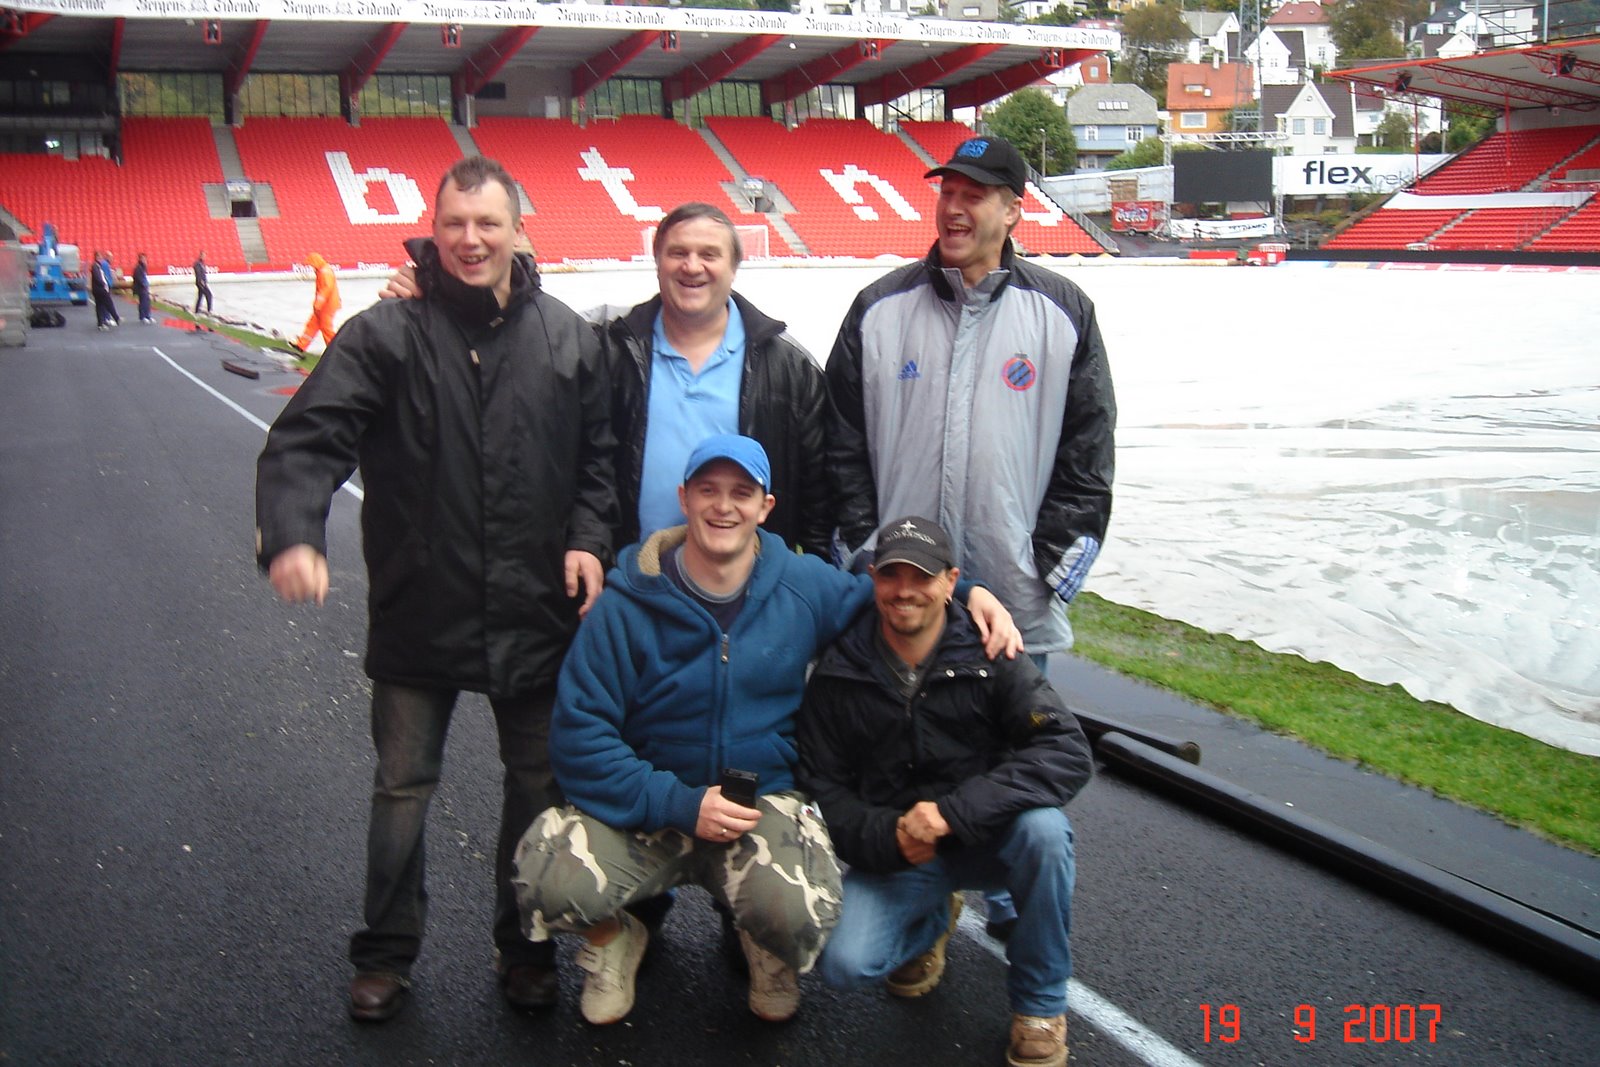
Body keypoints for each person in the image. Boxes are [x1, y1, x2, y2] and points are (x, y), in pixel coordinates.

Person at [254, 155, 618, 1024]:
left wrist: (589, 539)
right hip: (421, 605)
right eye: (455, 223)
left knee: (536, 789)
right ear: (433, 226)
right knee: (402, 787)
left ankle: (524, 945)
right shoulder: (386, 335)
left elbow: (601, 460)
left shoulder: (569, 337)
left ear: (518, 230)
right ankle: (384, 954)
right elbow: (308, 438)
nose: (470, 239)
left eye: (488, 223)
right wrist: (296, 531)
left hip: (535, 612)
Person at [511, 435, 1021, 1029]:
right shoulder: (625, 604)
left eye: (741, 493)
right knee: (544, 876)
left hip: (760, 808)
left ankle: (768, 949)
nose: (723, 506)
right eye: (708, 490)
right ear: (684, 498)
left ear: (765, 507)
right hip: (647, 812)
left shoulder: (802, 586)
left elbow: (891, 592)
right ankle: (615, 937)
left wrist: (972, 590)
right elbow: (579, 736)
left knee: (804, 912)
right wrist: (676, 801)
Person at [824, 134, 1115, 938]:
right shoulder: (880, 308)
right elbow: (838, 444)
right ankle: (922, 905)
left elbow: (1088, 462)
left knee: (1016, 760)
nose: (954, 206)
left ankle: (1016, 903)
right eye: (945, 189)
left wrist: (1041, 576)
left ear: (1015, 210)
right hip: (903, 592)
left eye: (975, 194)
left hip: (1011, 604)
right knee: (905, 749)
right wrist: (861, 552)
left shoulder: (1063, 312)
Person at [797, 515, 1092, 1067]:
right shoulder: (838, 672)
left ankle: (1040, 1006)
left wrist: (955, 814)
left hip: (987, 835)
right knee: (842, 964)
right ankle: (933, 919)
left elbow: (1066, 751)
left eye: (922, 575)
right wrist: (886, 837)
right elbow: (821, 790)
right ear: (874, 580)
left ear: (951, 579)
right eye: (891, 575)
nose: (905, 590)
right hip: (904, 850)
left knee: (1047, 833)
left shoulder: (993, 651)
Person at [383, 202, 832, 557]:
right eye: (677, 253)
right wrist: (441, 298)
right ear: (656, 262)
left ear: (734, 267)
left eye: (709, 254)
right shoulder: (605, 344)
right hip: (626, 584)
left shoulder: (788, 367)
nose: (691, 266)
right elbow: (515, 339)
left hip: (743, 591)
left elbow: (817, 496)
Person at [293, 252, 342, 352]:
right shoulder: (323, 270)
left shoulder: (324, 272)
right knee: (312, 324)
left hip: (327, 306)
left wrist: (318, 304)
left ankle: (334, 349)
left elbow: (326, 289)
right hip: (325, 305)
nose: (311, 267)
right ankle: (301, 345)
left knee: (326, 327)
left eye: (311, 264)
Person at [89, 250, 114, 331]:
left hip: (103, 287)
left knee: (103, 305)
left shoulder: (101, 265)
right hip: (102, 288)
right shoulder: (103, 265)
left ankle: (105, 320)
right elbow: (104, 276)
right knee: (104, 304)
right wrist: (107, 284)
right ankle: (106, 319)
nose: (112, 259)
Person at [133, 252, 153, 324]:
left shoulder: (143, 267)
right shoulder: (138, 268)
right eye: (143, 259)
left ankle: (148, 316)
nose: (145, 260)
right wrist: (144, 284)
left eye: (145, 258)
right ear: (140, 259)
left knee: (147, 302)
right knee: (143, 302)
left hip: (145, 287)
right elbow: (139, 278)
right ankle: (142, 317)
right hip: (141, 288)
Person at [193, 250, 212, 315]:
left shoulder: (202, 263)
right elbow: (198, 274)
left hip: (202, 282)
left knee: (200, 296)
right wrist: (201, 281)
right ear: (200, 256)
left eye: (205, 256)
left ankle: (197, 310)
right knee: (209, 295)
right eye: (203, 256)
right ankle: (209, 311)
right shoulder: (197, 264)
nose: (204, 257)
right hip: (201, 283)